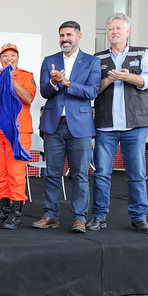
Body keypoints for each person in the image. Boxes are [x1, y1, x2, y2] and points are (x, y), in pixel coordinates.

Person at [32, 21, 100, 233]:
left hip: (79, 127)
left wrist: (68, 83)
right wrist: (53, 82)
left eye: (69, 34)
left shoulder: (92, 62)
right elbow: (44, 92)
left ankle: (79, 218)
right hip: (53, 126)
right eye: (62, 35)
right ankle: (51, 215)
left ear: (79, 36)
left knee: (80, 174)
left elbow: (92, 92)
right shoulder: (49, 60)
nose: (65, 39)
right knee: (52, 173)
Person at [88, 13, 148, 234]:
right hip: (105, 124)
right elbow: (93, 89)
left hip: (135, 124)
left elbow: (146, 81)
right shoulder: (97, 58)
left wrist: (127, 77)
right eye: (111, 29)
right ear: (107, 32)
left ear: (128, 31)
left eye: (119, 29)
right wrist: (109, 79)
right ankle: (99, 216)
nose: (115, 32)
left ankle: (139, 218)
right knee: (102, 173)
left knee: (137, 173)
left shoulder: (142, 53)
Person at [0, 43, 36, 229]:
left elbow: (28, 98)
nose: (8, 59)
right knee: (0, 173)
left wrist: (12, 81)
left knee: (16, 172)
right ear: (0, 59)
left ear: (18, 58)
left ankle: (16, 213)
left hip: (18, 132)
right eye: (5, 56)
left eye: (12, 55)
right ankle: (4, 210)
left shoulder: (26, 76)